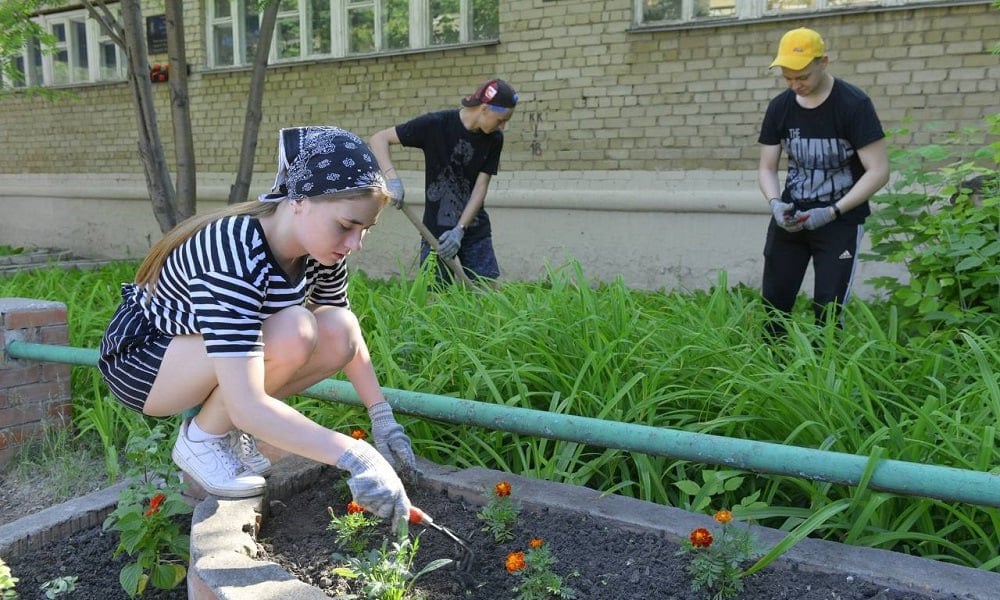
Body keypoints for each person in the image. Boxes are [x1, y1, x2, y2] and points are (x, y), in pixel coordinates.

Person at [97, 126, 416, 529]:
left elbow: (343, 332)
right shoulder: (235, 247)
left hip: (202, 355)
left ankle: (220, 430)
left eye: (365, 230)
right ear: (299, 200)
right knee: (296, 330)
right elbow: (248, 398)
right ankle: (202, 441)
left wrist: (381, 416)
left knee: (336, 328)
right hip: (146, 360)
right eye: (347, 225)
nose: (355, 243)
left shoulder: (323, 250)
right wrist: (357, 457)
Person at [757, 27, 890, 336]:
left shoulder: (853, 105)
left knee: (828, 310)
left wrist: (832, 212)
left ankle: (824, 373)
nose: (795, 85)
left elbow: (878, 170)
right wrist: (775, 204)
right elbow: (766, 167)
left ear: (823, 62)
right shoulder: (780, 107)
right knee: (774, 304)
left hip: (839, 221)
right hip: (791, 218)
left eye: (802, 77)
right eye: (788, 78)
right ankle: (771, 368)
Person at [368, 78, 518, 284]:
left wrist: (460, 230)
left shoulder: (494, 139)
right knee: (434, 299)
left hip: (474, 230)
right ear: (484, 108)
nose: (503, 127)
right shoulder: (436, 124)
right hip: (434, 232)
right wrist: (392, 178)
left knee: (487, 294)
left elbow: (480, 188)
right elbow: (379, 139)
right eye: (501, 120)